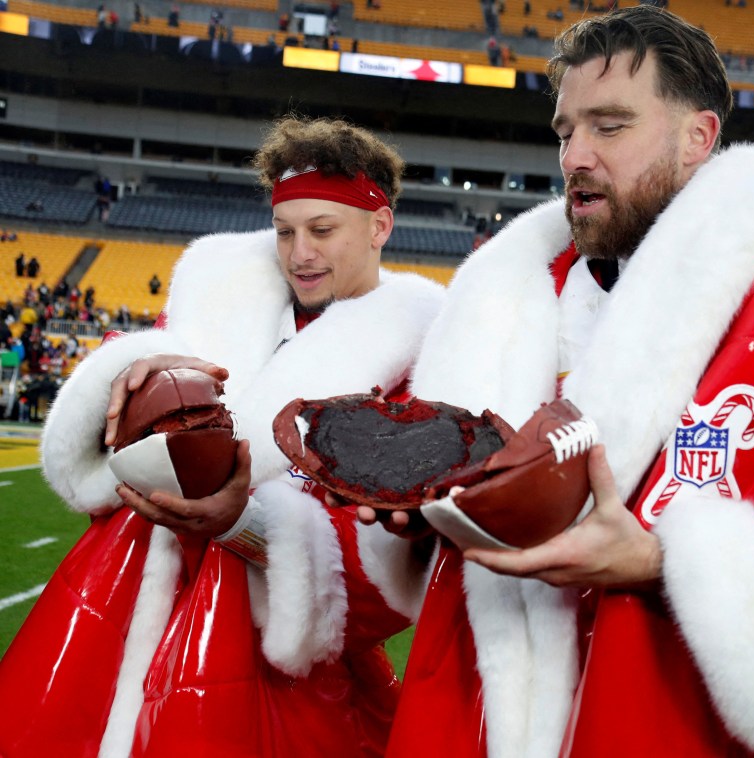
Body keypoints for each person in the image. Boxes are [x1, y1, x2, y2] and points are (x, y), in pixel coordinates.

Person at [383, 7, 754, 757]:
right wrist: (420, 516)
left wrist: (664, 563)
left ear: (698, 137)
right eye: (564, 130)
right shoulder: (503, 298)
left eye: (609, 126)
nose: (575, 155)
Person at [0, 116, 444, 756]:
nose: (300, 253)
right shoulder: (212, 301)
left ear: (380, 226)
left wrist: (245, 523)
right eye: (286, 231)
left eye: (322, 230)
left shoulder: (420, 362)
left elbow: (390, 570)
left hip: (266, 642)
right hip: (125, 589)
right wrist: (137, 375)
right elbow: (116, 421)